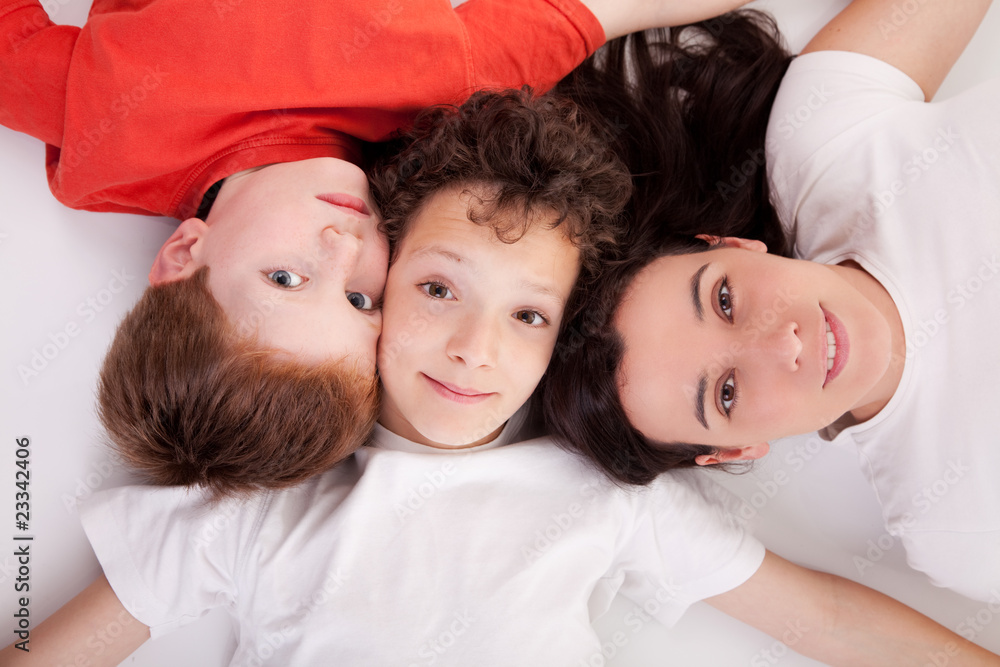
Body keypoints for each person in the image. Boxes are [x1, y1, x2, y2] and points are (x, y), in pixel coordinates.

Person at [5, 86, 999, 667]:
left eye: (527, 316)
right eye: (438, 289)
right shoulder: (256, 509)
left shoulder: (600, 503)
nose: (476, 347)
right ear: (376, 286)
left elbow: (823, 616)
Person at [0, 0, 765, 493]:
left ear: (180, 256)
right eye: (360, 298)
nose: (344, 244)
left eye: (285, 276)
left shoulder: (102, 136)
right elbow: (586, 15)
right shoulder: (434, 105)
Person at [544, 0, 1000, 602]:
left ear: (736, 246)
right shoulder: (960, 528)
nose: (780, 341)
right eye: (726, 392)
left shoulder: (823, 145)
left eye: (725, 299)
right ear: (736, 449)